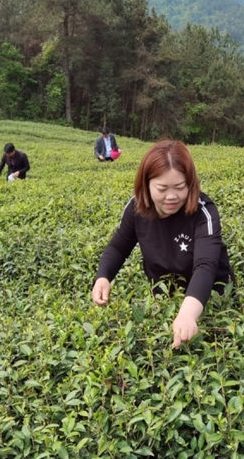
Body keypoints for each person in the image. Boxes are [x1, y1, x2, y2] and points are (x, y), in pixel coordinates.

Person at [92, 140, 235, 348]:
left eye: (179, 187)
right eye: (161, 188)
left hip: (210, 298)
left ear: (190, 184)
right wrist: (103, 276)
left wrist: (187, 314)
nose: (171, 196)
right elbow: (118, 247)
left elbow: (206, 266)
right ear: (146, 185)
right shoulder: (136, 208)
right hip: (165, 297)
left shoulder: (204, 212)